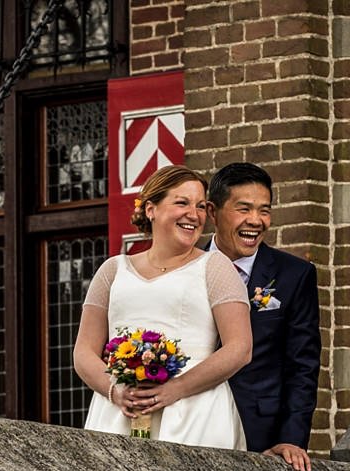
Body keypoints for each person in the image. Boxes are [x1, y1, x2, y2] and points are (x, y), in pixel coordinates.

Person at [74, 165, 251, 449]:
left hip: (195, 410)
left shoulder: (215, 267)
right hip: (119, 411)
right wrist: (115, 391)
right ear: (150, 209)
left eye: (200, 206)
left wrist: (176, 389)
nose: (194, 215)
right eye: (181, 203)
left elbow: (239, 349)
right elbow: (83, 351)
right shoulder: (112, 271)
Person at [206, 162, 320, 471]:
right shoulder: (187, 270)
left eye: (265, 210)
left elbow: (302, 366)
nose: (255, 221)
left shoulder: (295, 275)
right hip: (192, 423)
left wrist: (292, 439)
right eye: (244, 209)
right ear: (212, 212)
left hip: (260, 432)